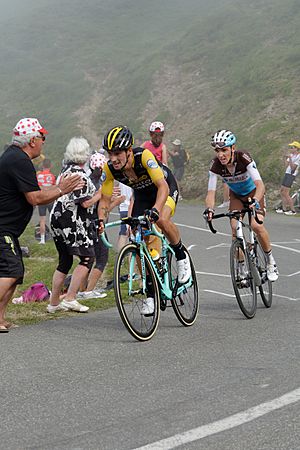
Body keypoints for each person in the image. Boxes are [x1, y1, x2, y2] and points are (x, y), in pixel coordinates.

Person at [0, 118, 83, 331]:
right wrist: (62, 189)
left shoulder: (15, 157)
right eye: (42, 137)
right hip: (3, 228)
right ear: (32, 140)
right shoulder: (19, 160)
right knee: (11, 271)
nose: (44, 142)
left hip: (9, 229)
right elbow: (35, 198)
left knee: (15, 274)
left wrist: (58, 189)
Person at [98, 125, 191, 315]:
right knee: (138, 240)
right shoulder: (110, 169)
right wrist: (100, 219)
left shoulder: (144, 157)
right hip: (142, 195)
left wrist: (156, 210)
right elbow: (105, 200)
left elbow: (162, 187)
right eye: (110, 154)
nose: (113, 158)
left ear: (128, 150)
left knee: (162, 220)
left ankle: (182, 257)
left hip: (164, 188)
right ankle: (150, 294)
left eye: (117, 153)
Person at [203, 129, 278, 282]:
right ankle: (242, 267)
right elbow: (210, 193)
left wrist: (256, 200)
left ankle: (271, 262)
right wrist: (210, 209)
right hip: (236, 196)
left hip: (253, 193)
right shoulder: (215, 165)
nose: (220, 155)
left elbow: (260, 185)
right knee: (234, 227)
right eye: (218, 151)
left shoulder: (243, 157)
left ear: (233, 148)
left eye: (224, 150)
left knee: (256, 225)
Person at [47, 137, 102, 314]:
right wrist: (100, 194)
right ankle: (70, 298)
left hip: (55, 218)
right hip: (69, 220)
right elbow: (85, 203)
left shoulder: (64, 171)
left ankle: (53, 303)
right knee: (88, 257)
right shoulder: (81, 176)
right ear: (85, 155)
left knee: (65, 259)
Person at [276, 141, 300, 216]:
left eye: (292, 147)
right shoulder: (292, 155)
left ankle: (293, 210)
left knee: (286, 193)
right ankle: (284, 209)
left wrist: (290, 159)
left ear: (297, 149)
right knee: (281, 191)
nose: (291, 149)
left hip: (291, 175)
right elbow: (286, 165)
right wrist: (285, 158)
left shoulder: (298, 157)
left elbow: (293, 168)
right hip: (287, 173)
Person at [36, 158, 56, 244]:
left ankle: (42, 239)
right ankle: (55, 236)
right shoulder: (52, 176)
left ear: (42, 165)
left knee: (42, 219)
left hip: (41, 199)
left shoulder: (38, 176)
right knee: (53, 219)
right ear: (50, 166)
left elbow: (37, 187)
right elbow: (54, 187)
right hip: (50, 199)